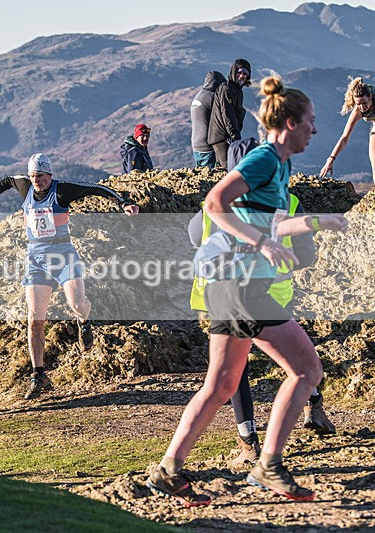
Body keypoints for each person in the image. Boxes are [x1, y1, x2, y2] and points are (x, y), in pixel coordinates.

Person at [147, 75, 349, 506]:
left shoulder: (280, 165)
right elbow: (215, 203)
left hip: (228, 284)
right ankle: (269, 465)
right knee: (305, 370)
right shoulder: (263, 159)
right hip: (240, 283)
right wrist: (262, 244)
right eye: (311, 121)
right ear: (291, 123)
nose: (316, 129)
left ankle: (168, 469)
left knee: (220, 384)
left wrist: (317, 222)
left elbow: (270, 223)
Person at [0, 154, 139, 399]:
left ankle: (84, 322)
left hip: (63, 255)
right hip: (36, 259)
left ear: (50, 175)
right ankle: (39, 375)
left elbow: (96, 189)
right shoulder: (25, 185)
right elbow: (6, 181)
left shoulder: (62, 191)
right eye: (33, 176)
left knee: (77, 304)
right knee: (35, 318)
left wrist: (124, 202)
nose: (37, 181)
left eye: (42, 177)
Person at [188, 188, 335, 469]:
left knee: (234, 370)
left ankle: (248, 441)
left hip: (222, 295)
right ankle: (312, 405)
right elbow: (306, 254)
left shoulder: (214, 201)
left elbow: (195, 237)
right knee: (293, 362)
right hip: (272, 294)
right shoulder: (288, 201)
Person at [207, 59, 252, 170]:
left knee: (225, 169)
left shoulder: (237, 91)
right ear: (233, 71)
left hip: (227, 136)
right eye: (239, 72)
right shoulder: (227, 89)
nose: (241, 76)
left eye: (245, 74)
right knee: (229, 168)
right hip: (222, 137)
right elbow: (227, 114)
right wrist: (235, 136)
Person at [190, 71, 227, 169]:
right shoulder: (212, 97)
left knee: (201, 177)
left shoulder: (198, 96)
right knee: (211, 179)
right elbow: (221, 120)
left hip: (196, 144)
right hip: (208, 145)